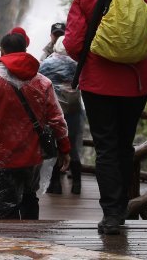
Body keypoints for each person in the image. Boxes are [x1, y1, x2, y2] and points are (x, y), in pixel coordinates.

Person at [63, 0, 147, 235]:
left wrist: (96, 56)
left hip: (98, 86)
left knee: (106, 148)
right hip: (135, 88)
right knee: (124, 145)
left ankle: (111, 214)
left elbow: (72, 45)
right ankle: (122, 206)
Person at [0, 32, 70, 219]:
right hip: (32, 154)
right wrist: (64, 148)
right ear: (25, 50)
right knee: (30, 198)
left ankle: (10, 245)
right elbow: (56, 119)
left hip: (0, 154)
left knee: (5, 204)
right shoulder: (43, 82)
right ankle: (31, 243)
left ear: (2, 51)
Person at [39, 36, 85, 195]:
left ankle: (55, 184)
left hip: (54, 111)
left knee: (55, 145)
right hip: (74, 110)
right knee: (73, 146)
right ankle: (77, 184)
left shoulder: (47, 64)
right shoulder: (77, 64)